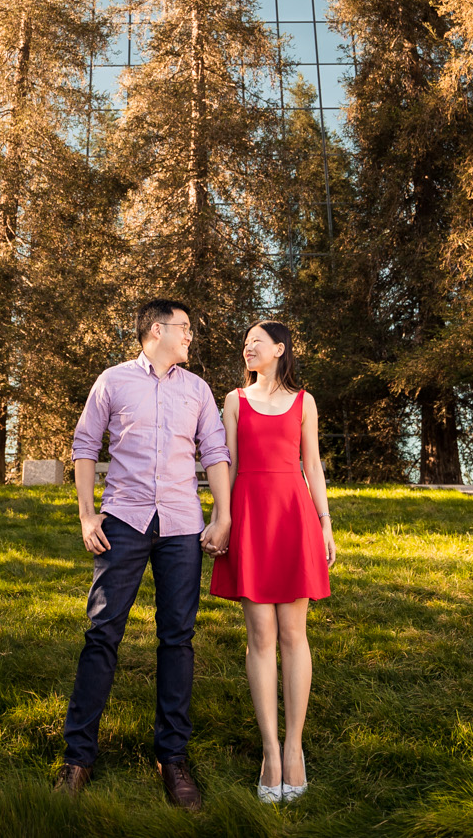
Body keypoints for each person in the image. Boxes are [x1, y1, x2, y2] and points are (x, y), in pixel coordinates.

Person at [54, 298, 233, 811]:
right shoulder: (112, 381)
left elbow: (215, 453)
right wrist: (88, 516)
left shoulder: (197, 389)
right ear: (156, 330)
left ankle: (172, 757)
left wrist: (221, 515)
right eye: (185, 329)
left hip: (181, 526)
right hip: (124, 523)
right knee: (102, 634)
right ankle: (78, 758)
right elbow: (85, 445)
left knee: (177, 639)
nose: (190, 338)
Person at [208, 320, 334, 804]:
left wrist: (324, 522)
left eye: (256, 342)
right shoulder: (234, 401)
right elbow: (228, 465)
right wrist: (222, 518)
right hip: (251, 519)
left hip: (293, 517)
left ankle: (295, 748)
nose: (248, 348)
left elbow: (313, 464)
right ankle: (270, 752)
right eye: (245, 345)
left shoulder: (305, 402)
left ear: (279, 349)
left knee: (293, 634)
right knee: (260, 635)